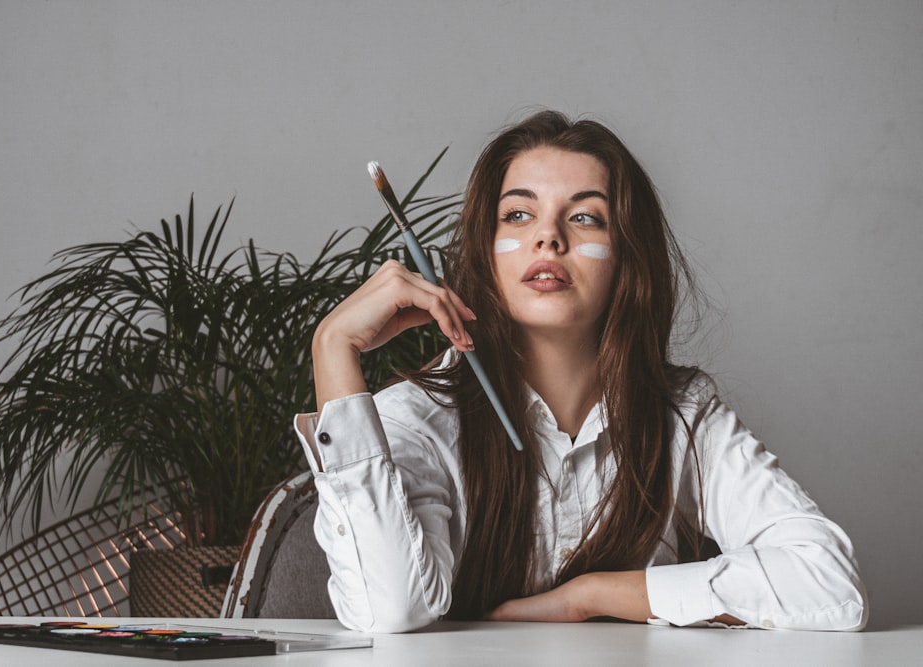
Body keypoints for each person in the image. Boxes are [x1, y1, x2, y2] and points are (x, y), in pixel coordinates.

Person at [294, 110, 868, 633]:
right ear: (483, 252)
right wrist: (332, 347)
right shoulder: (418, 421)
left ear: (627, 258)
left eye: (586, 217)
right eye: (519, 214)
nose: (549, 236)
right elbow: (387, 610)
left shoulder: (684, 414)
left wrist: (592, 595)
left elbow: (830, 585)